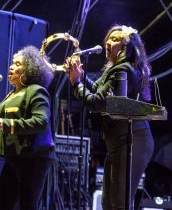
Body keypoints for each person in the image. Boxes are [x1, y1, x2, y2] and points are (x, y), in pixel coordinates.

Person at [65, 24, 154, 209]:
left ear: (126, 47)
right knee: (109, 202)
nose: (108, 42)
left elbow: (98, 102)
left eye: (115, 40)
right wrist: (79, 77)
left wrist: (75, 84)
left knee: (119, 202)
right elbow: (98, 91)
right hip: (119, 142)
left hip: (132, 140)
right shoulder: (113, 70)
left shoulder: (123, 70)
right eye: (108, 39)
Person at [0, 45, 56, 210]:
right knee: (2, 205)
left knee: (27, 205)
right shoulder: (11, 95)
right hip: (15, 157)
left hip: (34, 158)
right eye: (12, 63)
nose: (11, 67)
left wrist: (8, 124)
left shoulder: (36, 91)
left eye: (18, 64)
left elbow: (41, 121)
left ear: (30, 70)